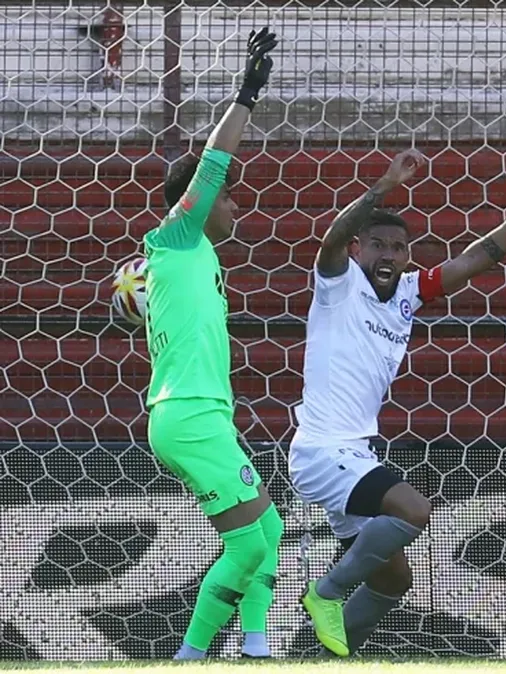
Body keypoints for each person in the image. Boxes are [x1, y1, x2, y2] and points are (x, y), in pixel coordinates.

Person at [289, 150, 506, 656]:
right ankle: (325, 592)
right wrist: (384, 186)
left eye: (399, 248)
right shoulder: (339, 283)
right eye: (378, 245)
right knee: (414, 510)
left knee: (394, 580)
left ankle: (322, 662)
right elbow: (330, 240)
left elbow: (475, 259)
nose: (388, 255)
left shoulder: (408, 293)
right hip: (322, 450)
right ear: (358, 249)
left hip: (354, 453)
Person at [143, 27, 284, 660]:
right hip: (190, 414)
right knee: (247, 544)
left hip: (203, 414)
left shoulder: (190, 259)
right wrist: (246, 94)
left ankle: (255, 646)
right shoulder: (175, 237)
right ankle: (192, 656)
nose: (235, 208)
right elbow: (212, 164)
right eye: (229, 198)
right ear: (198, 201)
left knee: (269, 529)